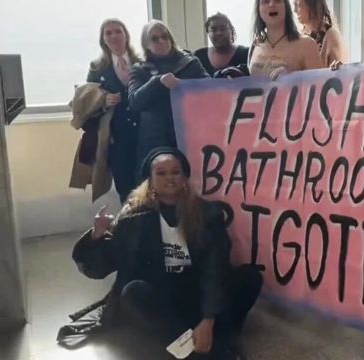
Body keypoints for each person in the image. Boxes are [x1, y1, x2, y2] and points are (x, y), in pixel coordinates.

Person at [64, 147, 262, 360]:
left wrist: (208, 318)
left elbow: (215, 268)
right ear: (149, 181)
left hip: (196, 292)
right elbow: (99, 269)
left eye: (175, 172)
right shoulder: (133, 217)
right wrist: (96, 238)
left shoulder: (207, 214)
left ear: (184, 178)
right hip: (161, 295)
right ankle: (195, 349)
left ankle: (212, 334)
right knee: (132, 293)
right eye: (161, 173)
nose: (169, 178)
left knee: (249, 277)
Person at [70, 18, 141, 204]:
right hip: (116, 139)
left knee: (147, 185)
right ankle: (130, 228)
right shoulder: (97, 68)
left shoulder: (142, 62)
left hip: (144, 135)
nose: (114, 36)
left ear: (126, 35)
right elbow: (86, 102)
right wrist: (103, 100)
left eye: (118, 31)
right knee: (125, 188)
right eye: (108, 33)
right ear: (103, 40)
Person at [128, 20, 209, 171]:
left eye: (165, 36)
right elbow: (135, 101)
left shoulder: (190, 62)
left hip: (189, 137)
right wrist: (157, 82)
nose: (161, 41)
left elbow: (210, 91)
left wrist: (183, 86)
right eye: (155, 38)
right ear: (146, 44)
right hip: (154, 141)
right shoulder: (139, 69)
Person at [248, 0, 323, 79]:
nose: (272, 5)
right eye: (266, 1)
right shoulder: (255, 45)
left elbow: (321, 84)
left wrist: (292, 77)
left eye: (277, 1)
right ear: (258, 9)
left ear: (286, 7)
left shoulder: (307, 45)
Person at [293, 0, 348, 68]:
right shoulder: (300, 38)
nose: (295, 10)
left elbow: (338, 74)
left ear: (312, 6)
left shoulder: (332, 36)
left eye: (299, 5)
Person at [194, 13, 250, 78]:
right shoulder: (198, 56)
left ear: (231, 31)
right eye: (214, 30)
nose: (219, 33)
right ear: (208, 33)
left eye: (223, 29)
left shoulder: (246, 54)